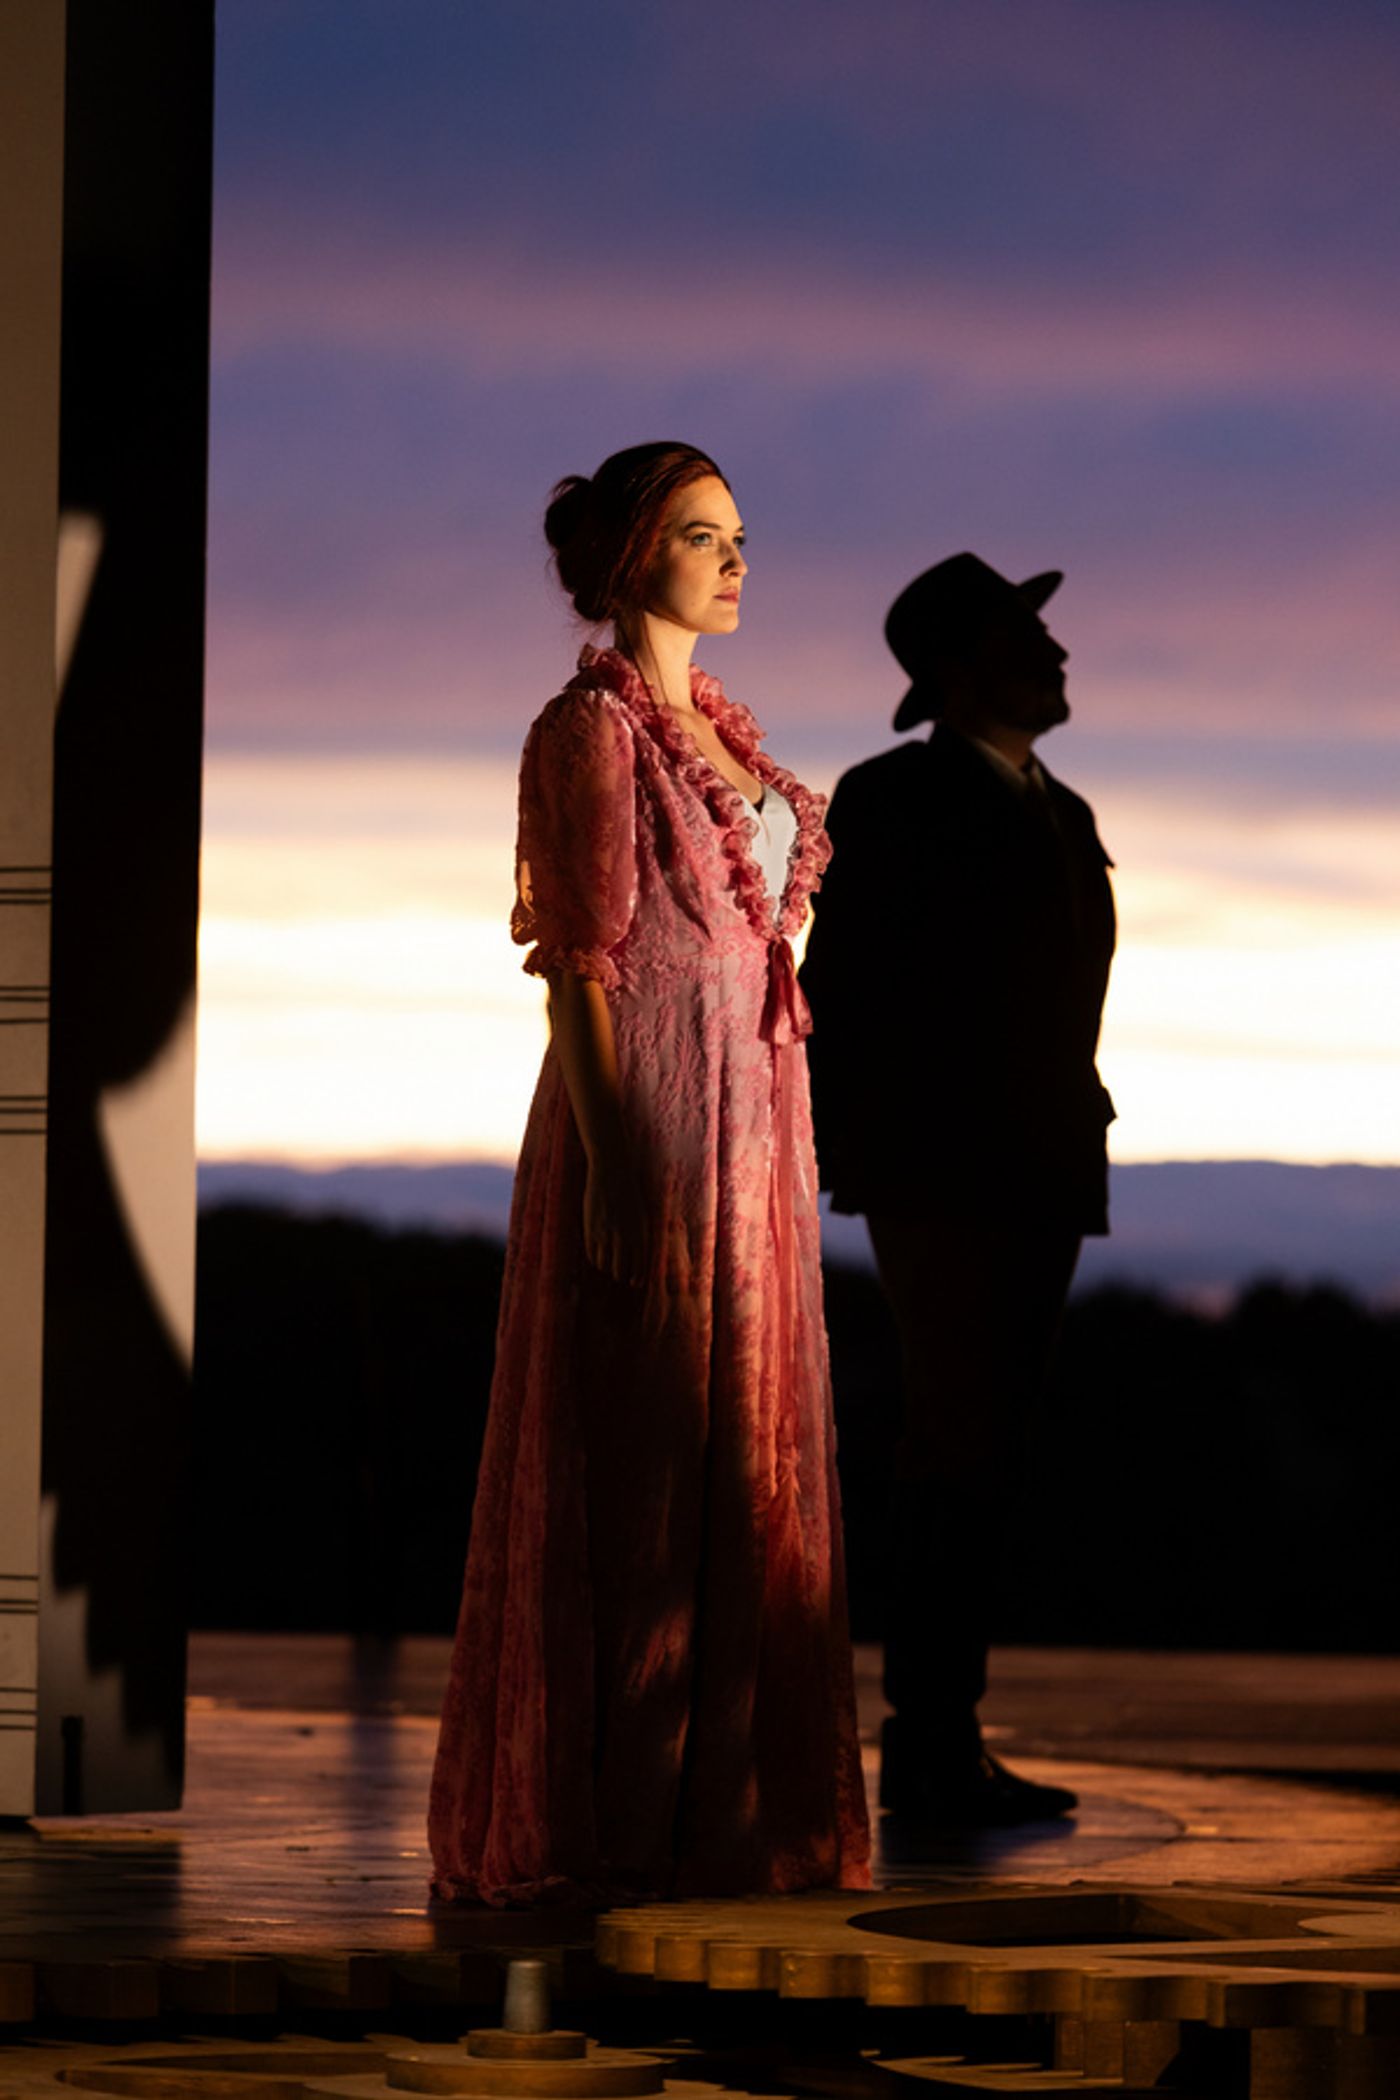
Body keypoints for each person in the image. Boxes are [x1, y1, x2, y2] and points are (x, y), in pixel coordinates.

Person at [429, 442, 871, 1905]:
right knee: (642, 1453)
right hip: (658, 1121)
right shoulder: (592, 733)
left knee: (744, 1451)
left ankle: (730, 1812)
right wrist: (618, 1165)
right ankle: (619, 1817)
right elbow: (581, 970)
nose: (736, 561)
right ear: (633, 561)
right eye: (702, 536)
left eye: (739, 535)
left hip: (756, 1124)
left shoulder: (723, 735)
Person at [799, 552, 1116, 1826]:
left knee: (988, 1452)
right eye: (1024, 639)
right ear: (957, 671)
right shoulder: (892, 800)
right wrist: (860, 1154)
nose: (1054, 656)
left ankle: (943, 1738)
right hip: (941, 1174)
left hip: (1037, 1165)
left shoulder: (1063, 809)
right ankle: (923, 1746)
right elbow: (843, 997)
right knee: (953, 1445)